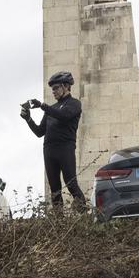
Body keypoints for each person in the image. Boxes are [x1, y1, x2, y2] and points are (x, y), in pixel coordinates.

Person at [20, 72, 85, 211]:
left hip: (65, 147)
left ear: (66, 86)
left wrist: (42, 105)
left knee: (71, 183)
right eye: (52, 89)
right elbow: (39, 132)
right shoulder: (51, 109)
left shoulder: (74, 104)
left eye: (56, 88)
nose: (53, 91)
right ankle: (58, 222)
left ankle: (83, 212)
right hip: (49, 150)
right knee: (54, 189)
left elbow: (64, 116)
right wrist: (28, 119)